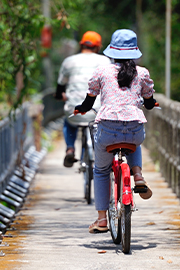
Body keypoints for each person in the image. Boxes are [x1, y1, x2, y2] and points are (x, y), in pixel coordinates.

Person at [74, 29, 157, 233]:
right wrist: (150, 104)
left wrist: (82, 108)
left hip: (108, 129)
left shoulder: (102, 71)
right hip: (134, 129)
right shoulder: (143, 73)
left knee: (101, 171)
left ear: (112, 51)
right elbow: (148, 100)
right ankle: (137, 175)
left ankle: (102, 220)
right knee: (133, 139)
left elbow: (89, 99)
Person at [55, 31, 111, 167]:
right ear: (98, 47)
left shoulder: (69, 61)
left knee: (69, 120)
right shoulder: (105, 61)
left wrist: (60, 96)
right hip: (97, 112)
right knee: (97, 126)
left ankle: (70, 148)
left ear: (81, 45)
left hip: (75, 111)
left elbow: (60, 88)